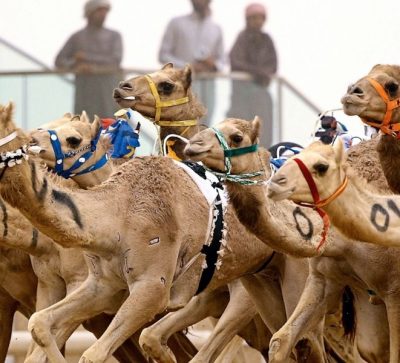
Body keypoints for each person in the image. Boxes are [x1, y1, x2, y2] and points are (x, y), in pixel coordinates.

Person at [158, 0, 224, 126]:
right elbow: (163, 55)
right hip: (180, 87)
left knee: (203, 129)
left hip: (207, 88)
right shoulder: (176, 23)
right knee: (177, 129)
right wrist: (189, 67)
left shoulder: (216, 29)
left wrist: (212, 64)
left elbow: (222, 61)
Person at [54, 0, 123, 119]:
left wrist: (87, 58)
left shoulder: (114, 36)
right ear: (90, 13)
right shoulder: (77, 37)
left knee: (110, 126)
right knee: (85, 126)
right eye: (99, 11)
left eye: (105, 11)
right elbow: (59, 61)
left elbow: (115, 59)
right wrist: (75, 63)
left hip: (108, 90)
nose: (103, 14)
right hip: (85, 92)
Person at [227, 2, 277, 148]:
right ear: (247, 19)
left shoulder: (267, 40)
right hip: (241, 96)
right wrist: (256, 72)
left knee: (263, 129)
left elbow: (273, 65)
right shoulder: (242, 38)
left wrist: (264, 73)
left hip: (261, 94)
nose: (257, 21)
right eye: (254, 18)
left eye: (260, 18)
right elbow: (235, 61)